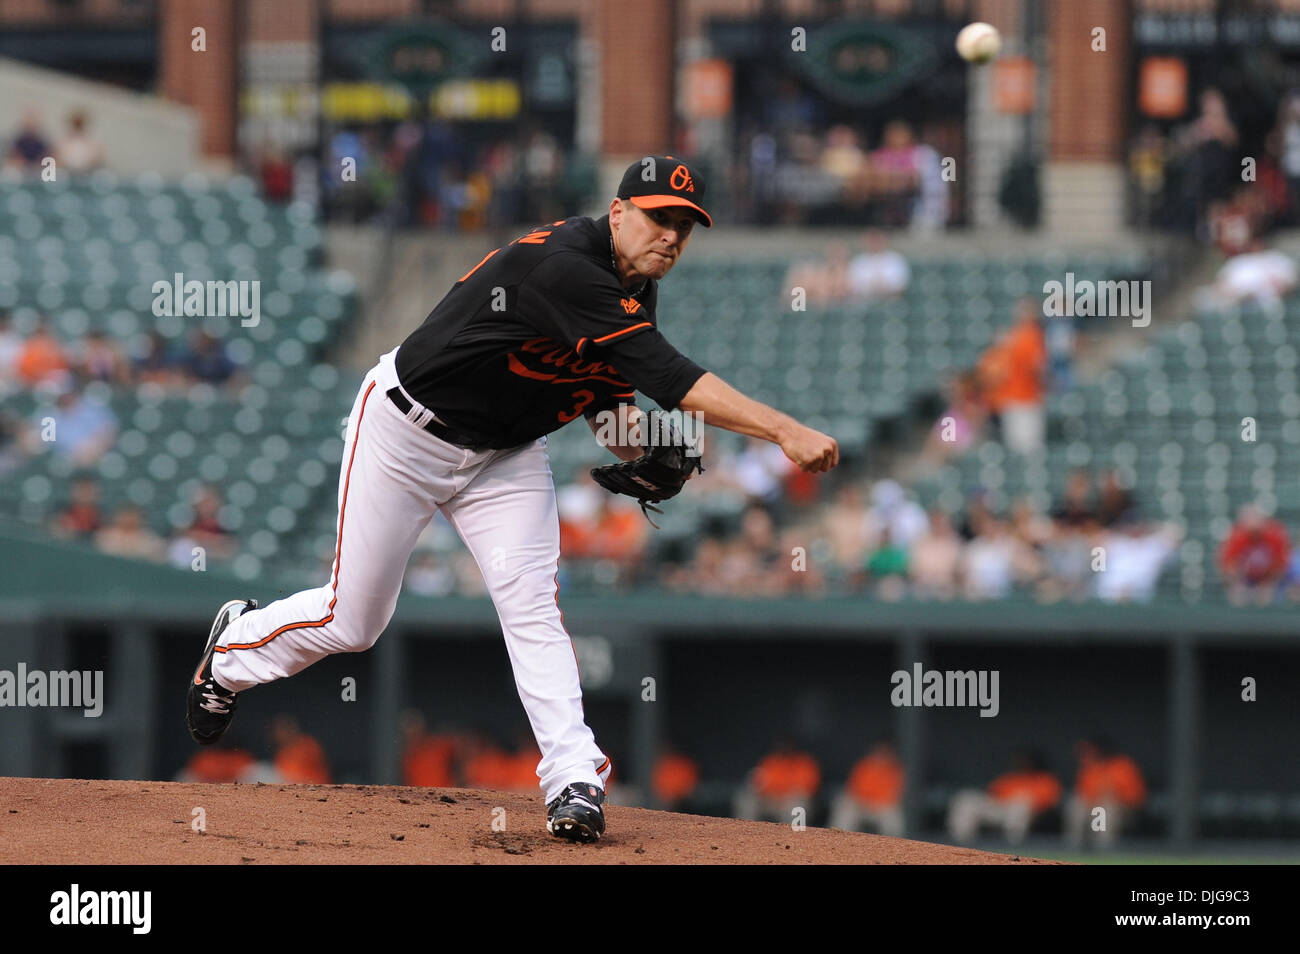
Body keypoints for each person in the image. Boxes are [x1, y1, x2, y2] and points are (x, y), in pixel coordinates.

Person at [184, 155, 839, 844]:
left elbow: (608, 407)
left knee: (531, 602)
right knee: (355, 622)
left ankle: (573, 780)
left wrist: (648, 450)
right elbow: (670, 376)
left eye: (685, 225)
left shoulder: (633, 289)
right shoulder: (566, 265)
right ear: (617, 213)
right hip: (405, 432)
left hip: (506, 455)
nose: (672, 236)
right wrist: (783, 430)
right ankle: (231, 651)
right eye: (658, 218)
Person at [947, 749, 1061, 845]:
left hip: (1024, 815)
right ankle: (960, 844)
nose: (1023, 763)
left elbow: (1047, 807)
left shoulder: (1046, 780)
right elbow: (991, 794)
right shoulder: (1010, 777)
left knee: (1020, 805)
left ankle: (1012, 847)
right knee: (966, 798)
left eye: (1027, 761)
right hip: (1000, 810)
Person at [1063, 738, 1147, 848]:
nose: (1087, 754)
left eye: (1092, 751)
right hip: (1093, 809)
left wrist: (1114, 798)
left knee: (1106, 808)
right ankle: (1072, 848)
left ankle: (1103, 850)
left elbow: (1137, 799)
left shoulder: (1123, 766)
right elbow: (1083, 795)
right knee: (1076, 807)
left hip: (1123, 812)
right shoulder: (1090, 768)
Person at [733, 738, 821, 824]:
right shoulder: (771, 761)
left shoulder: (804, 762)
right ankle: (745, 831)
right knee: (747, 798)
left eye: (787, 746)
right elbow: (759, 783)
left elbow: (806, 790)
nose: (784, 749)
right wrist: (770, 795)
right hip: (771, 801)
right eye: (781, 746)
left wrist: (782, 796)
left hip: (789, 803)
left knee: (798, 803)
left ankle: (794, 836)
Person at [1219, 503, 1291, 605]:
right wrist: (1239, 584)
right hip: (1245, 579)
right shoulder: (1237, 536)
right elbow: (1228, 565)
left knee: (1269, 596)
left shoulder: (1275, 535)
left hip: (1270, 579)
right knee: (1237, 596)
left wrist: (1267, 584)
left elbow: (1281, 565)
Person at [829, 739, 905, 836]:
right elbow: (853, 789)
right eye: (879, 752)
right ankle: (837, 840)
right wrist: (863, 802)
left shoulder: (895, 770)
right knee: (845, 806)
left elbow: (893, 796)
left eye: (885, 752)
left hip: (881, 807)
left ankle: (894, 847)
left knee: (893, 815)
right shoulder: (865, 766)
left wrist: (875, 803)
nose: (881, 755)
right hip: (861, 804)